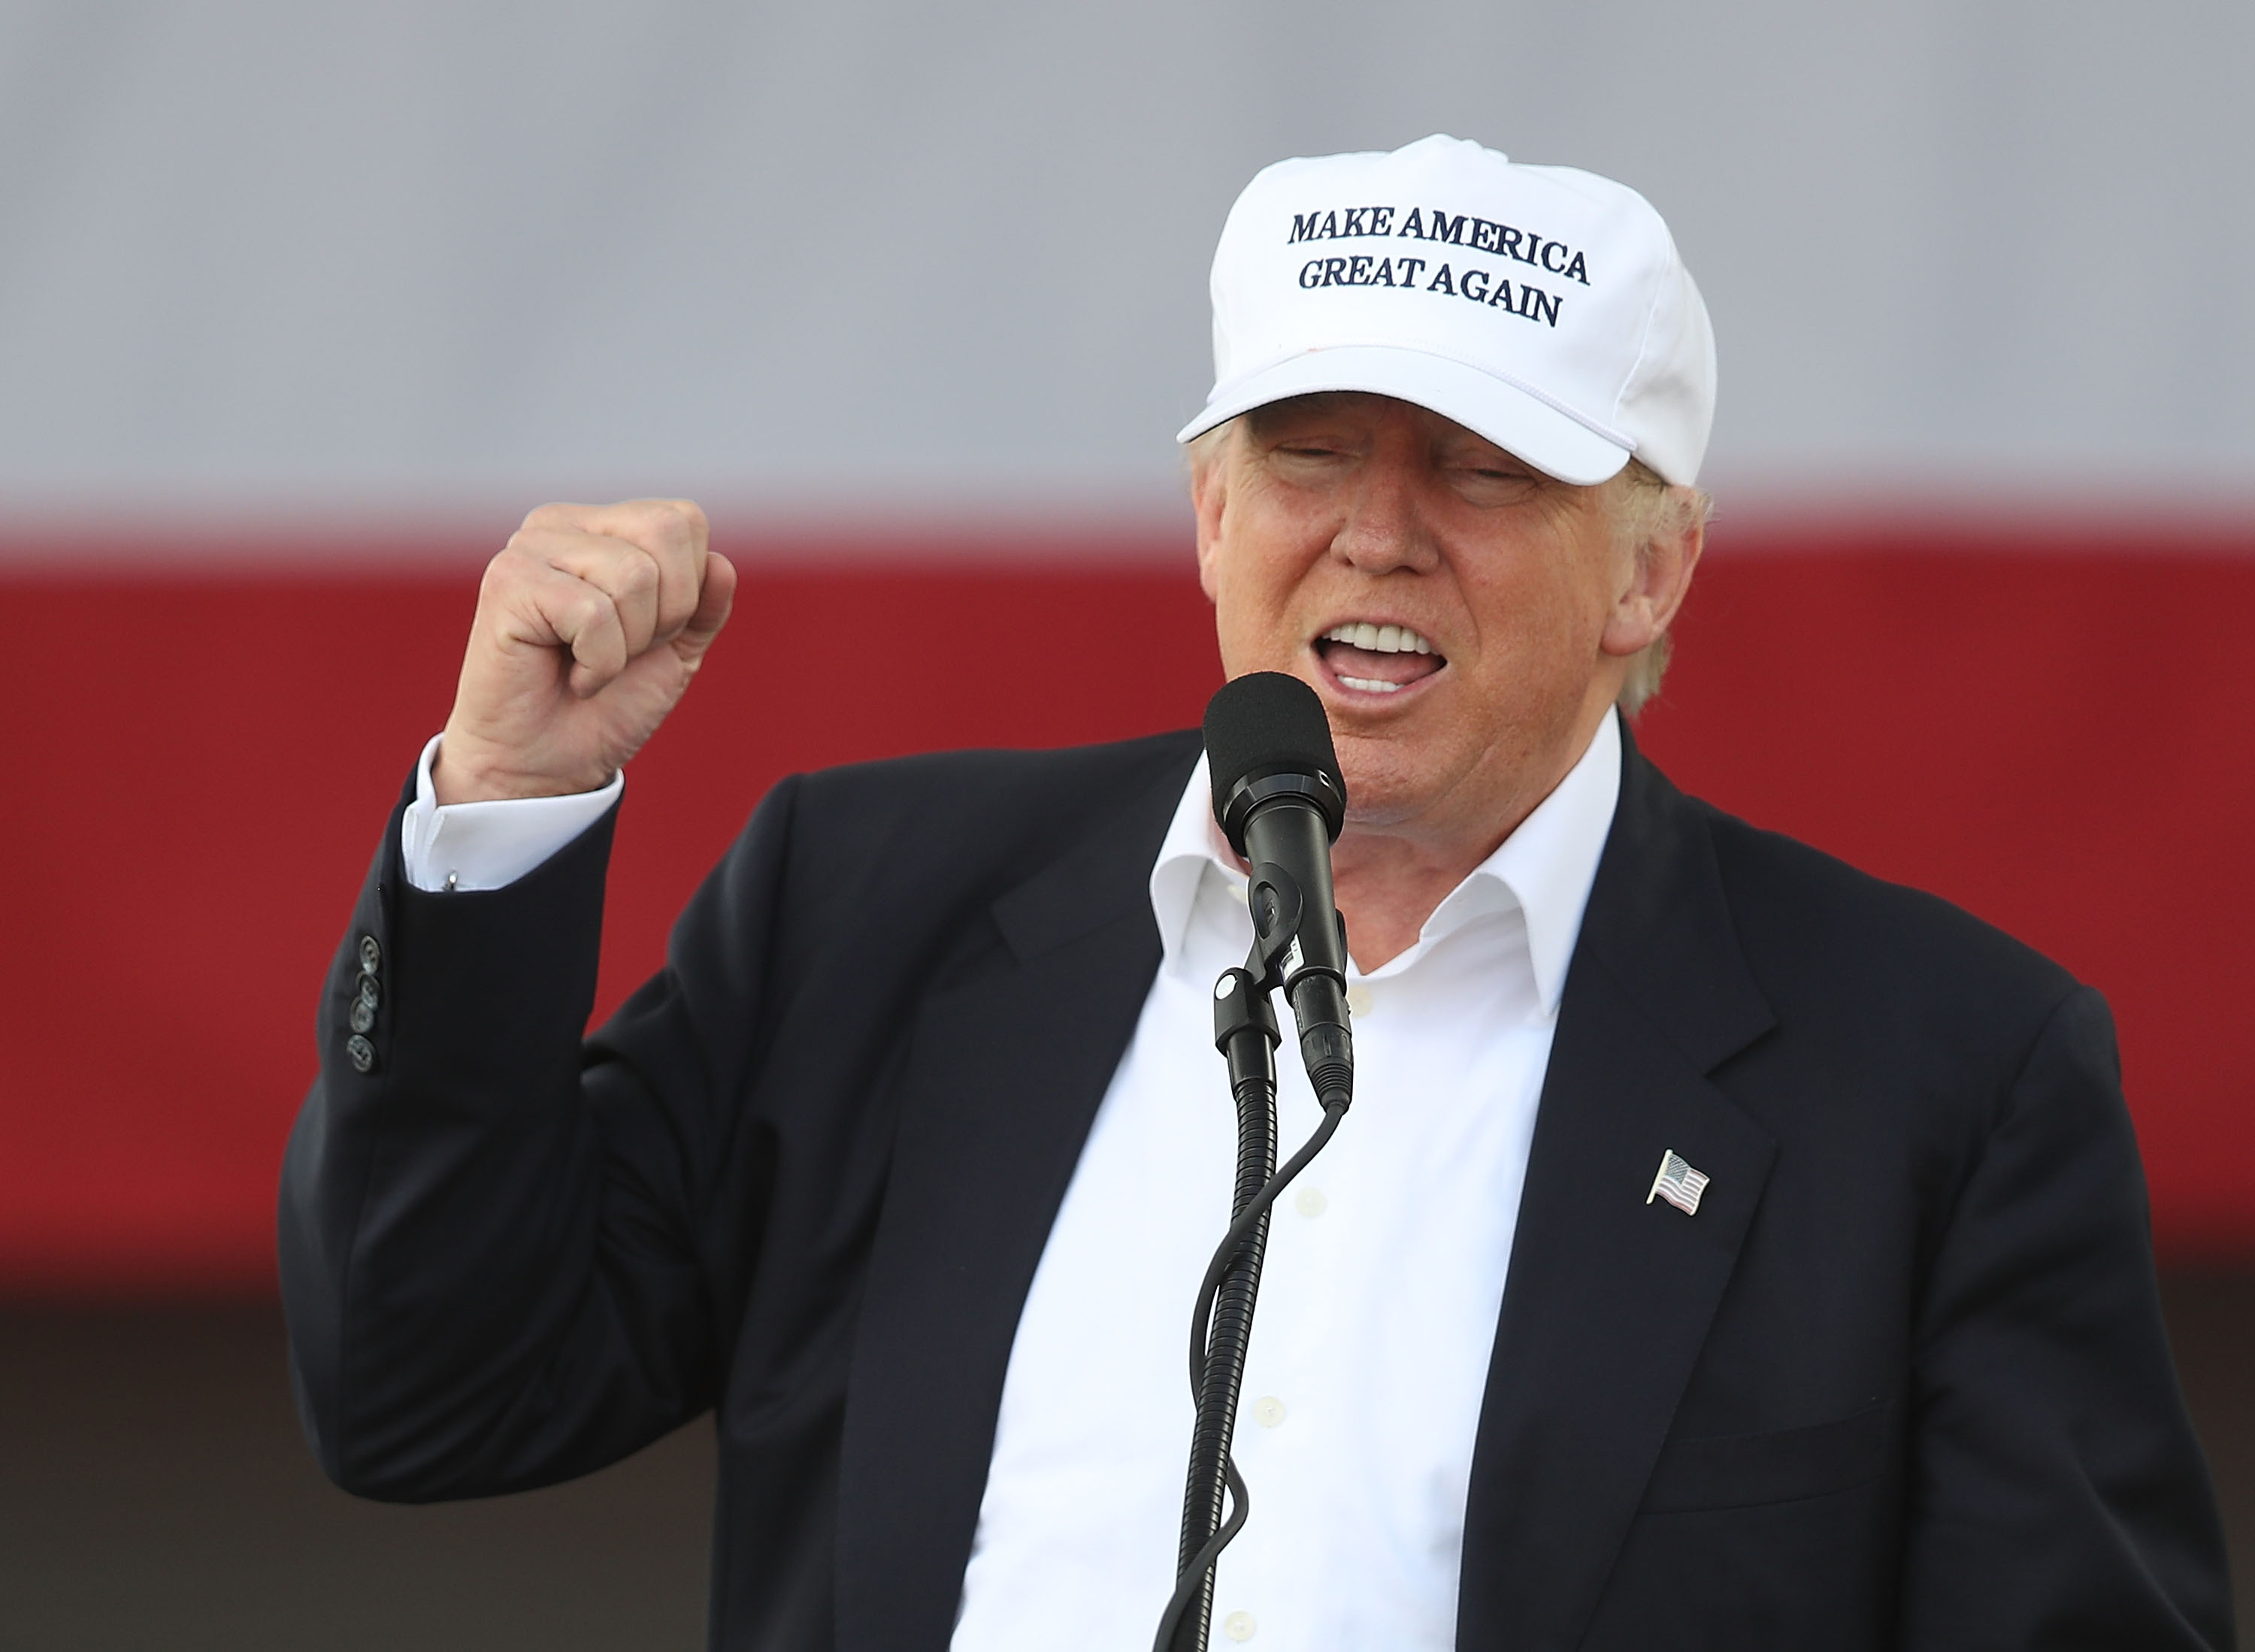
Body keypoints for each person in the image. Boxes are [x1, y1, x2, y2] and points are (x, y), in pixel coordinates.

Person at [279, 135, 2234, 1650]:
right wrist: (510, 803)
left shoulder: (1943, 1078)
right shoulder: (864, 910)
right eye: (1306, 450)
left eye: (1481, 471)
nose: (1377, 531)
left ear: (1652, 572)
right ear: (1212, 513)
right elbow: (435, 1394)